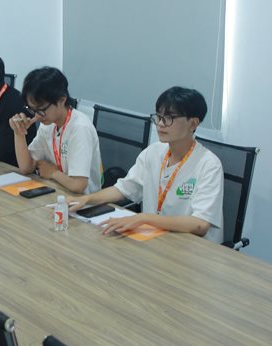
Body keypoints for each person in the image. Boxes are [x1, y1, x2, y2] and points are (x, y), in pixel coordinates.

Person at [70, 87, 224, 243]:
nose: (160, 124)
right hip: (156, 239)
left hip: (193, 247)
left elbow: (200, 224)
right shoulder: (153, 152)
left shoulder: (209, 165)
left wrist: (144, 218)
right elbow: (123, 189)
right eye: (159, 117)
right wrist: (87, 199)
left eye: (169, 118)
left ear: (193, 123)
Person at [9, 66, 102, 194]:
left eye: (41, 109)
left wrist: (53, 173)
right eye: (32, 110)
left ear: (62, 100)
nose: (37, 116)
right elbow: (26, 167)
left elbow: (79, 185)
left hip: (83, 200)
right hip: (56, 192)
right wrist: (18, 132)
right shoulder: (48, 124)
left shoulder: (80, 128)